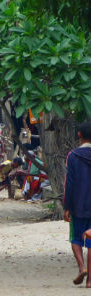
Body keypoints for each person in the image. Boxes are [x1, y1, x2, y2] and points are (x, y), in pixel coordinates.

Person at [63, 121, 91, 288]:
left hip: (78, 204)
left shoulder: (73, 156)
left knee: (75, 238)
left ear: (79, 135)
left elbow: (70, 182)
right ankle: (90, 281)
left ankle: (82, 267)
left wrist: (67, 207)